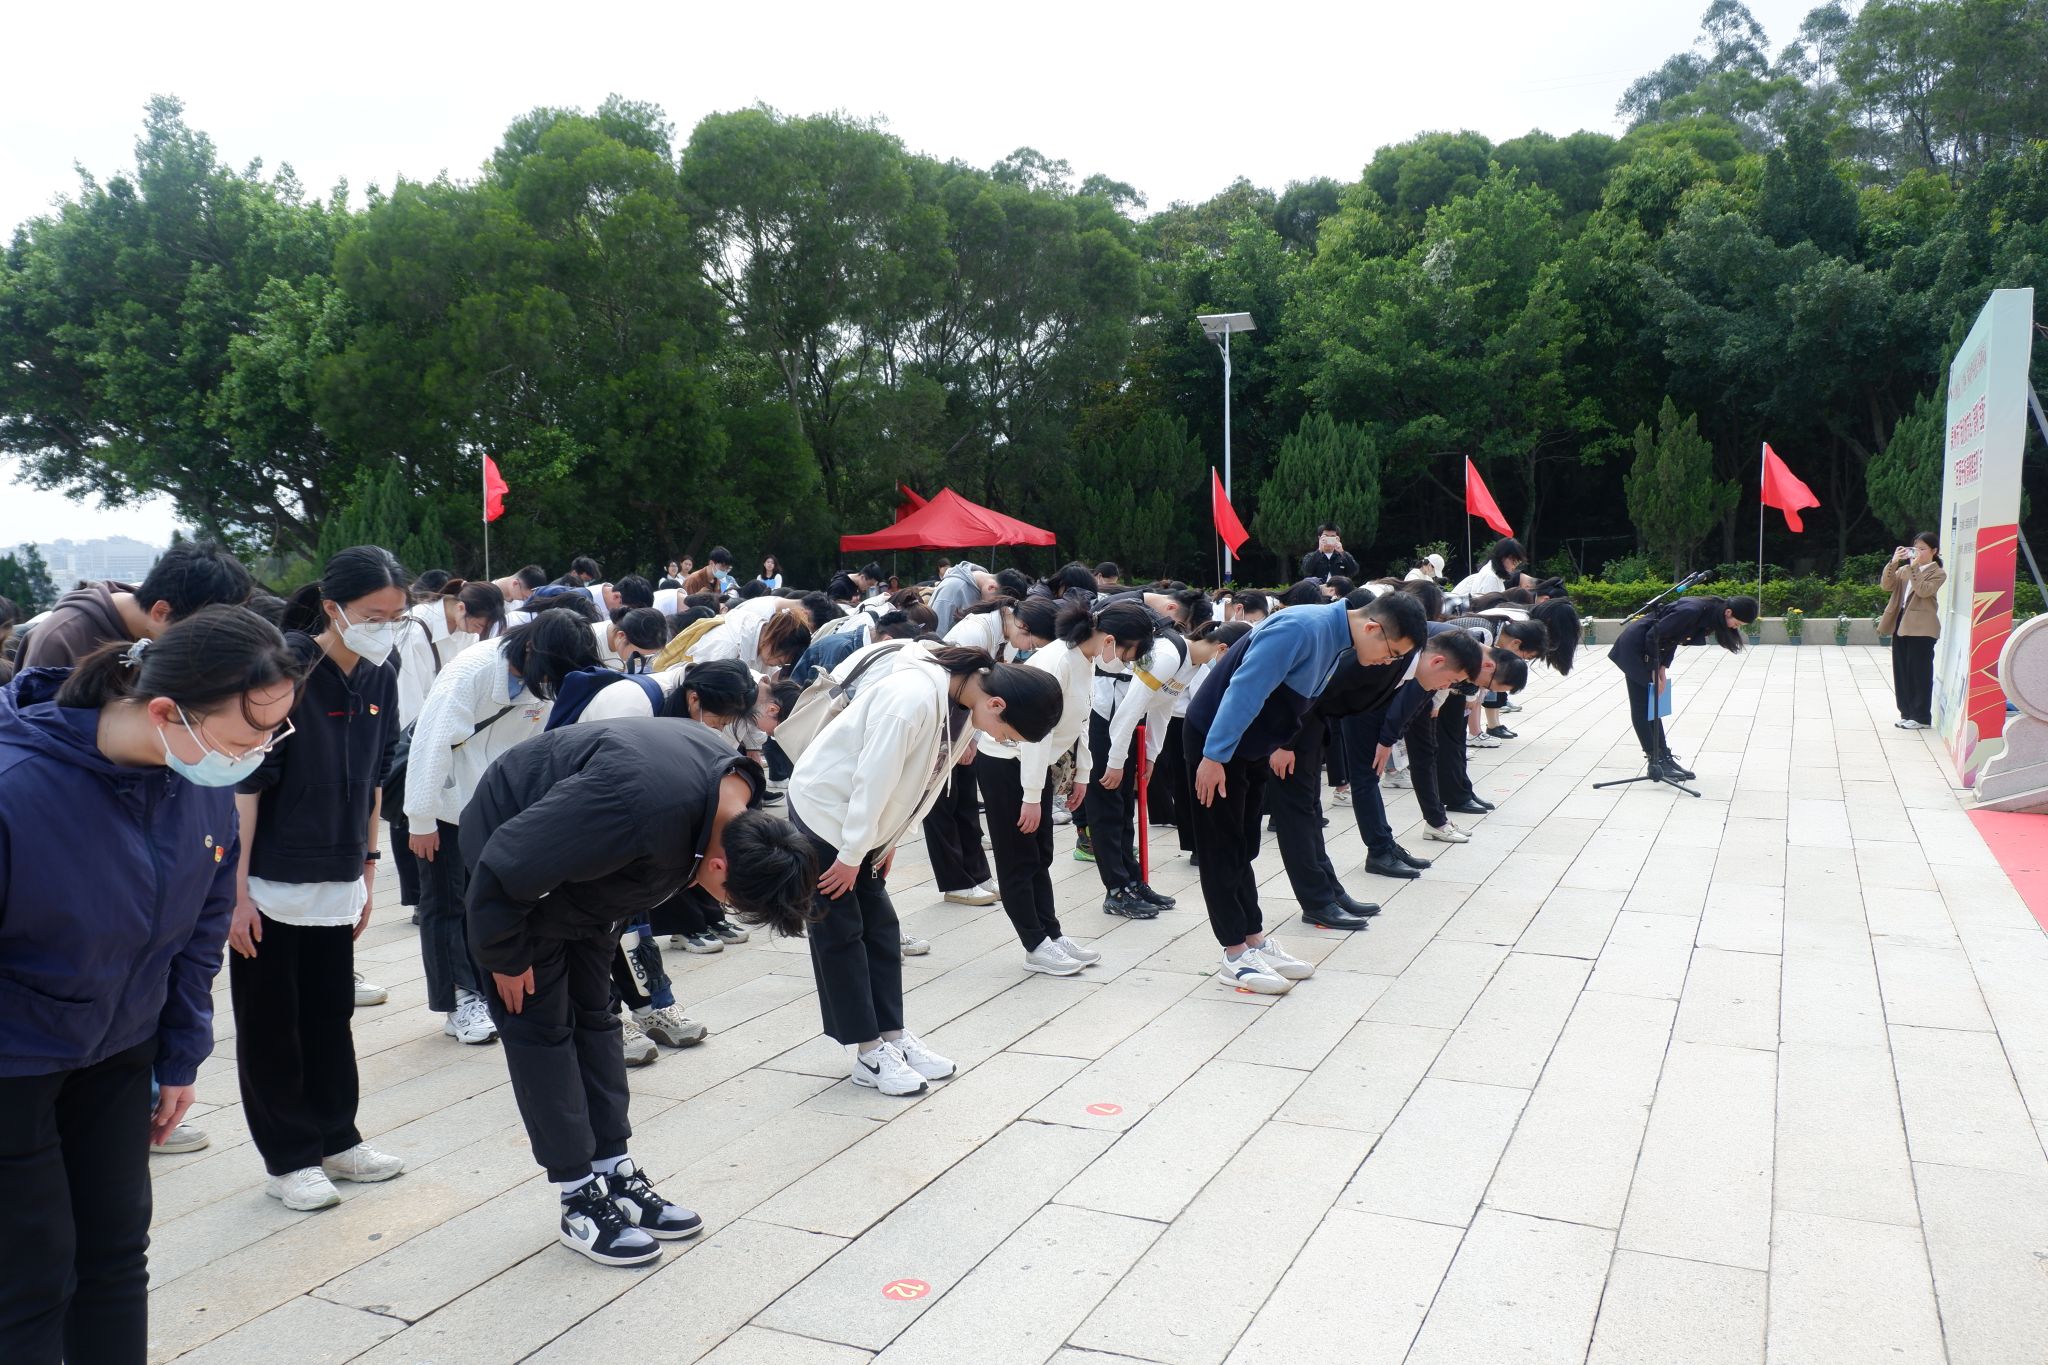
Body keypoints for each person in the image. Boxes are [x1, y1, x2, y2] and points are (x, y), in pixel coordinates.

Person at [0, 607, 301, 1363]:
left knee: (115, 1251)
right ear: (166, 712)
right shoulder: (17, 788)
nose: (254, 757)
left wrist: (179, 1054)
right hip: (15, 1062)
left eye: (271, 736)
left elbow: (199, 931)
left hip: (120, 1047)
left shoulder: (195, 783)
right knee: (28, 1273)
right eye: (243, 740)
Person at [463, 718, 812, 1266]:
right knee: (542, 1030)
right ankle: (578, 1197)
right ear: (719, 864)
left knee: (597, 1017)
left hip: (588, 878)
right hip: (514, 856)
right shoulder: (636, 808)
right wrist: (504, 954)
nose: (721, 906)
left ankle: (613, 1171)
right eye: (729, 898)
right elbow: (507, 861)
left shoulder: (736, 793)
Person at [787, 645, 1062, 1096]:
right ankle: (868, 1052)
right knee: (841, 932)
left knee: (880, 928)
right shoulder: (911, 698)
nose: (1002, 739)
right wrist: (854, 853)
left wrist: (888, 838)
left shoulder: (962, 703)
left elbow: (920, 781)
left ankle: (892, 1036)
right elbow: (873, 780)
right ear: (997, 704)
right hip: (827, 812)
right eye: (1009, 735)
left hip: (863, 824)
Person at [227, 548, 410, 1212]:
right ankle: (289, 1157)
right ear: (334, 608)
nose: (386, 627)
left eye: (396, 616)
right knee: (272, 1025)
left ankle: (338, 1136)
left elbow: (376, 778)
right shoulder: (286, 670)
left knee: (331, 1015)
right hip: (272, 880)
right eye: (373, 615)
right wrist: (235, 894)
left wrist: (368, 868)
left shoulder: (381, 675)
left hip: (338, 875)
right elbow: (246, 787)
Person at [1187, 592, 1424, 993]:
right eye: (1392, 653)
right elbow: (1245, 689)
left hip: (1248, 746)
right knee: (1221, 848)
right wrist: (1213, 757)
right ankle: (1234, 954)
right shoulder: (1302, 627)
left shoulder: (1334, 636)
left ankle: (1253, 939)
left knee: (1243, 845)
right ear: (1373, 628)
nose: (1389, 662)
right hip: (1218, 743)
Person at [405, 609, 603, 1045]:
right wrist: (420, 819)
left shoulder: (544, 675)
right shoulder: (472, 672)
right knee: (447, 904)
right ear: (531, 648)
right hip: (447, 803)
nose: (551, 682)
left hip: (499, 806)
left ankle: (490, 985)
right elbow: (430, 743)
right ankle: (459, 1000)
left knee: (491, 898)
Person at [975, 605, 1140, 975]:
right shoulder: (1057, 661)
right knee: (1019, 858)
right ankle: (1035, 945)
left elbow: (1083, 719)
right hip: (1009, 763)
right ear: (1110, 640)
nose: (1127, 663)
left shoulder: (1085, 657)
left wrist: (1084, 773)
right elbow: (1037, 734)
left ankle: (1051, 933)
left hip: (1037, 766)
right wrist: (1032, 797)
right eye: (1129, 653)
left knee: (1040, 854)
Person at [925, 597, 1060, 905]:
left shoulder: (1003, 635)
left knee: (966, 804)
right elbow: (961, 691)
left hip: (968, 727)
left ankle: (977, 873)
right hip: (944, 728)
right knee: (942, 804)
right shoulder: (975, 632)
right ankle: (955, 881)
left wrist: (971, 738)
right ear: (1022, 625)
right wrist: (963, 740)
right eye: (1032, 642)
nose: (1031, 649)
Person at [20, 540, 254, 667]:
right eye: (197, 633)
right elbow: (27, 731)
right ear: (161, 612)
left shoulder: (160, 621)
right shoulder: (59, 639)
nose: (200, 645)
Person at [1608, 594, 1758, 779]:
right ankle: (1655, 761)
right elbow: (1654, 635)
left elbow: (1672, 638)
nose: (1736, 628)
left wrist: (1662, 667)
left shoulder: (1709, 612)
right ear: (1728, 612)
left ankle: (1664, 756)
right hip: (1636, 648)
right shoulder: (1691, 611)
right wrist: (1653, 670)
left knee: (1654, 707)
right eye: (1737, 623)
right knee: (1643, 707)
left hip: (1651, 649)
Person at [1883, 533, 1946, 730]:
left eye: (1922, 549)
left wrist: (1914, 568)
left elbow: (1923, 590)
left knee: (1919, 672)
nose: (1917, 553)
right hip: (1901, 622)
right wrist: (1894, 562)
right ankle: (1907, 713)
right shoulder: (1904, 570)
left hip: (1922, 627)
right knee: (1902, 670)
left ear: (1934, 551)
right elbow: (1886, 585)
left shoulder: (1938, 573)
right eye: (1915, 548)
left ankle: (1921, 717)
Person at [929, 560, 1000, 635]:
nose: (992, 606)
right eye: (995, 602)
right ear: (992, 588)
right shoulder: (953, 589)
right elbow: (936, 634)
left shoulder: (982, 588)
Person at [1450, 537, 1530, 600]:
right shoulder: (1491, 577)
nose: (1514, 566)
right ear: (1502, 557)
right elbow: (1488, 609)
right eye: (1514, 561)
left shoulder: (1491, 573)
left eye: (1517, 563)